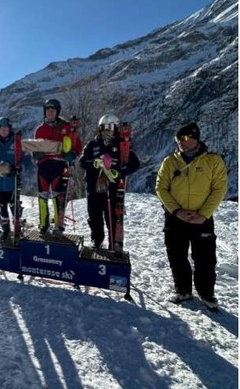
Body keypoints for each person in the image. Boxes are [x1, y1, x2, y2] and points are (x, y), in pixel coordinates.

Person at [155, 122, 227, 310]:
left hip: (201, 219)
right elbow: (161, 188)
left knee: (205, 257)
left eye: (186, 139)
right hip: (175, 218)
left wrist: (203, 214)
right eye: (179, 139)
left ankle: (206, 293)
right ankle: (183, 290)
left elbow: (219, 188)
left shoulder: (212, 161)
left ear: (196, 138)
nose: (182, 143)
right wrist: (177, 211)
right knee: (176, 254)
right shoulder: (170, 162)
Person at [79, 113, 140, 250]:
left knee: (112, 216)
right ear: (100, 129)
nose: (107, 131)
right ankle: (97, 240)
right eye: (104, 127)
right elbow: (82, 162)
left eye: (111, 127)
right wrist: (93, 163)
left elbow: (135, 164)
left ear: (116, 128)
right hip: (94, 187)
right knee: (94, 216)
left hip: (113, 189)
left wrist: (119, 172)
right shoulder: (93, 144)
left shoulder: (122, 145)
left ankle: (114, 245)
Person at [33, 99, 83, 236]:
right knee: (42, 196)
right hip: (43, 167)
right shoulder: (40, 129)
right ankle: (44, 224)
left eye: (53, 110)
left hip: (59, 165)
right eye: (48, 110)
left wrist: (73, 154)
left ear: (57, 112)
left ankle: (58, 225)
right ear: (44, 111)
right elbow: (34, 149)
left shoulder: (66, 127)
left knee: (57, 197)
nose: (50, 112)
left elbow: (77, 145)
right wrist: (36, 154)